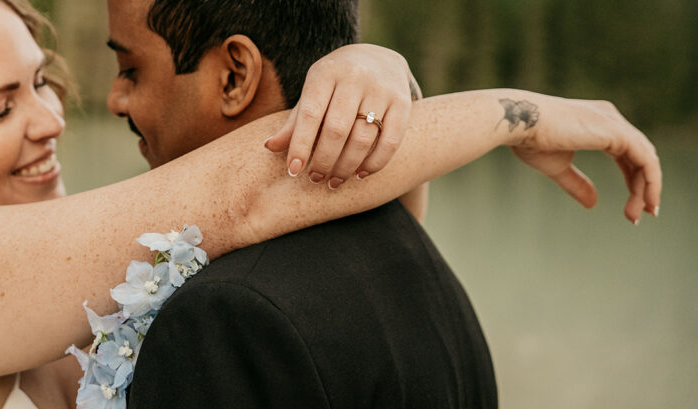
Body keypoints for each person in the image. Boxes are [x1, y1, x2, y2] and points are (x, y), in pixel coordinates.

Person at [0, 0, 661, 408]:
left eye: (41, 81)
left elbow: (288, 243)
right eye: (1, 107)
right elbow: (247, 191)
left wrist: (373, 77)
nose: (54, 117)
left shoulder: (22, 306)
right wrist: (521, 113)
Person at [103, 1, 662, 408]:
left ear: (235, 76)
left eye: (131, 69)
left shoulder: (225, 318)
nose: (114, 98)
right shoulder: (407, 243)